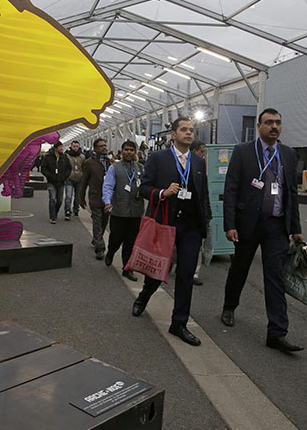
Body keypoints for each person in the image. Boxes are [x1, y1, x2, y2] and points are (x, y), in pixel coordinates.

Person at [221, 108, 305, 352]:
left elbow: (292, 192)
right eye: (269, 122)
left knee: (276, 278)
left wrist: (296, 228)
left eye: (278, 122)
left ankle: (277, 333)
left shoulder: (288, 154)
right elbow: (231, 188)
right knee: (240, 268)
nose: (274, 127)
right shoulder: (244, 151)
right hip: (248, 223)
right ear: (259, 126)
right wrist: (230, 224)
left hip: (276, 226)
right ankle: (229, 305)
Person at [133, 117, 211, 346]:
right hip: (165, 223)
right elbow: (144, 188)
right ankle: (144, 296)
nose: (189, 133)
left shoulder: (198, 161)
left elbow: (202, 194)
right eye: (184, 130)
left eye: (191, 130)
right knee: (158, 271)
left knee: (186, 275)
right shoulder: (158, 158)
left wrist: (206, 220)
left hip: (191, 227)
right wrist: (162, 193)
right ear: (173, 134)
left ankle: (179, 323)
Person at [102, 140, 145, 281]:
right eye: (126, 150)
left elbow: (146, 185)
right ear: (122, 151)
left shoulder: (140, 168)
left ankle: (127, 268)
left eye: (132, 150)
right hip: (118, 210)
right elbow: (108, 186)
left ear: (135, 152)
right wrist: (107, 202)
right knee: (116, 238)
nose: (129, 152)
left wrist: (143, 191)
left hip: (135, 211)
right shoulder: (115, 168)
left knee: (131, 242)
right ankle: (111, 253)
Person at [80, 138, 111, 259]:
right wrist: (81, 198)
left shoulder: (108, 161)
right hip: (95, 196)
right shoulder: (89, 163)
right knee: (97, 221)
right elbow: (84, 181)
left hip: (107, 198)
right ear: (95, 148)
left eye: (105, 145)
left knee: (104, 221)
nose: (104, 148)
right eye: (101, 146)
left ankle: (96, 239)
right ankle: (100, 247)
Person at [40, 141, 71, 224]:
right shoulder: (48, 157)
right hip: (51, 182)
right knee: (52, 199)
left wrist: (65, 176)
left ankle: (55, 212)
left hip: (61, 181)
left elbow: (69, 168)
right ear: (55, 148)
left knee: (60, 200)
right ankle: (52, 217)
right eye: (60, 147)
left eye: (62, 147)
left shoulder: (64, 157)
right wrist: (49, 176)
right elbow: (43, 168)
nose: (62, 148)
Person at [191, 140, 208, 286]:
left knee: (199, 247)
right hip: (182, 215)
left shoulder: (201, 166)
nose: (203, 155)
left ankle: (195, 273)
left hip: (199, 216)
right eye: (202, 151)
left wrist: (207, 214)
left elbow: (204, 194)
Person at [65, 140, 85, 219]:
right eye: (74, 146)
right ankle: (67, 211)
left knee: (77, 197)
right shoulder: (67, 156)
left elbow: (84, 168)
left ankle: (76, 210)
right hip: (69, 178)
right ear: (71, 146)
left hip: (79, 179)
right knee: (68, 196)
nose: (75, 148)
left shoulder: (82, 157)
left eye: (77, 146)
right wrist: (66, 175)